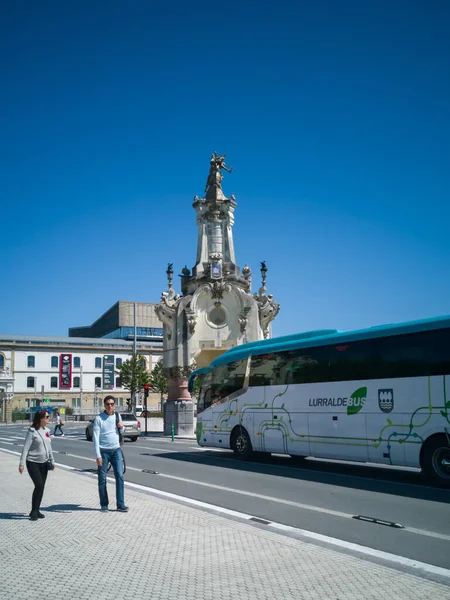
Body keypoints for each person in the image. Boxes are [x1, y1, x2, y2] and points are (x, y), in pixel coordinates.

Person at [93, 395, 128, 513]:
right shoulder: (99, 419)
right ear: (104, 405)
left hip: (116, 450)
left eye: (112, 404)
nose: (110, 406)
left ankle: (120, 504)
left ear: (114, 405)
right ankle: (104, 504)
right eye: (108, 404)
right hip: (103, 451)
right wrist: (98, 455)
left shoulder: (117, 416)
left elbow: (121, 431)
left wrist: (122, 427)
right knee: (102, 478)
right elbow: (96, 438)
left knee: (119, 475)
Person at [18, 409, 55, 521]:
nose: (49, 418)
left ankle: (36, 509)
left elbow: (49, 447)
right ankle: (33, 511)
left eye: (49, 416)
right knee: (38, 485)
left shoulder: (47, 430)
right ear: (40, 418)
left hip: (44, 463)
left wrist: (52, 461)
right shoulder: (32, 431)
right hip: (32, 462)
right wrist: (21, 463)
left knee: (41, 487)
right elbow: (25, 448)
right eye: (47, 417)